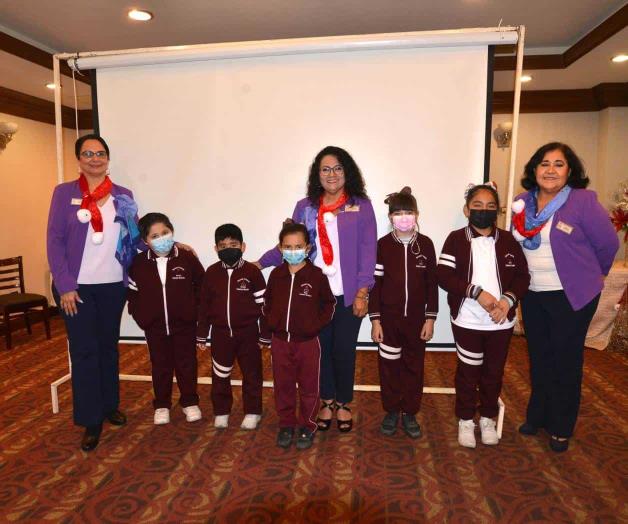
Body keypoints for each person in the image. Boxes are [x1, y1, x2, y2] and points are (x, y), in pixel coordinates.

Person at [257, 146, 376, 432]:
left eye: (337, 168)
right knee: (319, 351)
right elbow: (291, 243)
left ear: (347, 172)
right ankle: (326, 401)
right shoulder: (305, 206)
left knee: (344, 350)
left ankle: (344, 403)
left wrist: (363, 292)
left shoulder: (361, 205)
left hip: (348, 294)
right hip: (312, 295)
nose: (331, 174)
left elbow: (367, 250)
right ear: (317, 174)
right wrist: (258, 263)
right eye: (325, 169)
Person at [512, 142, 619, 452]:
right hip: (533, 294)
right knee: (540, 357)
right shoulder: (523, 202)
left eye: (559, 164)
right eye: (544, 163)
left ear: (570, 171)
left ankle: (561, 425)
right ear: (534, 169)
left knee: (565, 360)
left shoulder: (582, 201)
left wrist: (590, 275)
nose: (550, 170)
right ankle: (538, 416)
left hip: (571, 296)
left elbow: (608, 244)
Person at [47, 134, 141, 451]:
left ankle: (109, 405)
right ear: (79, 160)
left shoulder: (123, 195)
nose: (95, 158)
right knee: (85, 352)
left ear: (107, 158)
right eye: (88, 153)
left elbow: (134, 238)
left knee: (108, 348)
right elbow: (54, 241)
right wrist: (66, 286)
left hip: (113, 286)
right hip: (77, 289)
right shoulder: (65, 194)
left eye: (100, 153)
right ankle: (90, 419)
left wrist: (167, 246)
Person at [438, 183, 530, 448]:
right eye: (477, 206)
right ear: (466, 210)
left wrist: (507, 301)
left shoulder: (509, 240)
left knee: (493, 372)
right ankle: (466, 419)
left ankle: (488, 417)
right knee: (468, 371)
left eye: (491, 207)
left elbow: (523, 276)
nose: (483, 211)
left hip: (501, 321)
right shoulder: (456, 239)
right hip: (467, 319)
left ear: (498, 213)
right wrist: (476, 292)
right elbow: (443, 275)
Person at [369, 187, 438, 439]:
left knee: (413, 367)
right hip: (388, 322)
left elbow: (432, 285)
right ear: (390, 218)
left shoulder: (426, 245)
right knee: (388, 368)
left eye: (408, 212)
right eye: (398, 213)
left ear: (417, 214)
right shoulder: (382, 246)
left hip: (417, 322)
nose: (404, 217)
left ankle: (409, 412)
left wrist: (430, 319)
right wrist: (375, 321)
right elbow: (375, 286)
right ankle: (391, 410)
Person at [261, 223, 336, 449]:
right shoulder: (276, 275)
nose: (293, 250)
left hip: (308, 343)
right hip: (280, 342)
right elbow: (267, 303)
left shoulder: (316, 276)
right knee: (282, 385)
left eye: (298, 246)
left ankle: (307, 424)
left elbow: (329, 305)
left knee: (309, 386)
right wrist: (272, 323)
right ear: (281, 248)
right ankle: (286, 424)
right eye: (288, 246)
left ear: (308, 248)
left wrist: (314, 326)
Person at [127, 213, 205, 425]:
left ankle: (189, 401)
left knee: (186, 364)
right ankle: (162, 404)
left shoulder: (187, 258)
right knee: (160, 366)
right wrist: (142, 317)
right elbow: (132, 293)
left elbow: (202, 287)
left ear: (172, 232)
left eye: (165, 233)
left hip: (184, 325)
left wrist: (194, 313)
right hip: (155, 327)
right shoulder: (139, 263)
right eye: (154, 236)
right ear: (145, 241)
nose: (161, 238)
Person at [196, 224, 267, 430]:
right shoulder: (211, 273)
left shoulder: (252, 272)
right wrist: (202, 334)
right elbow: (204, 307)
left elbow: (264, 306)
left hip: (248, 334)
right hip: (220, 335)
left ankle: (253, 411)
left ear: (243, 246)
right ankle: (221, 411)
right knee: (220, 374)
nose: (228, 248)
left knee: (252, 374)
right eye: (223, 245)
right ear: (216, 249)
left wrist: (265, 334)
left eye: (233, 244)